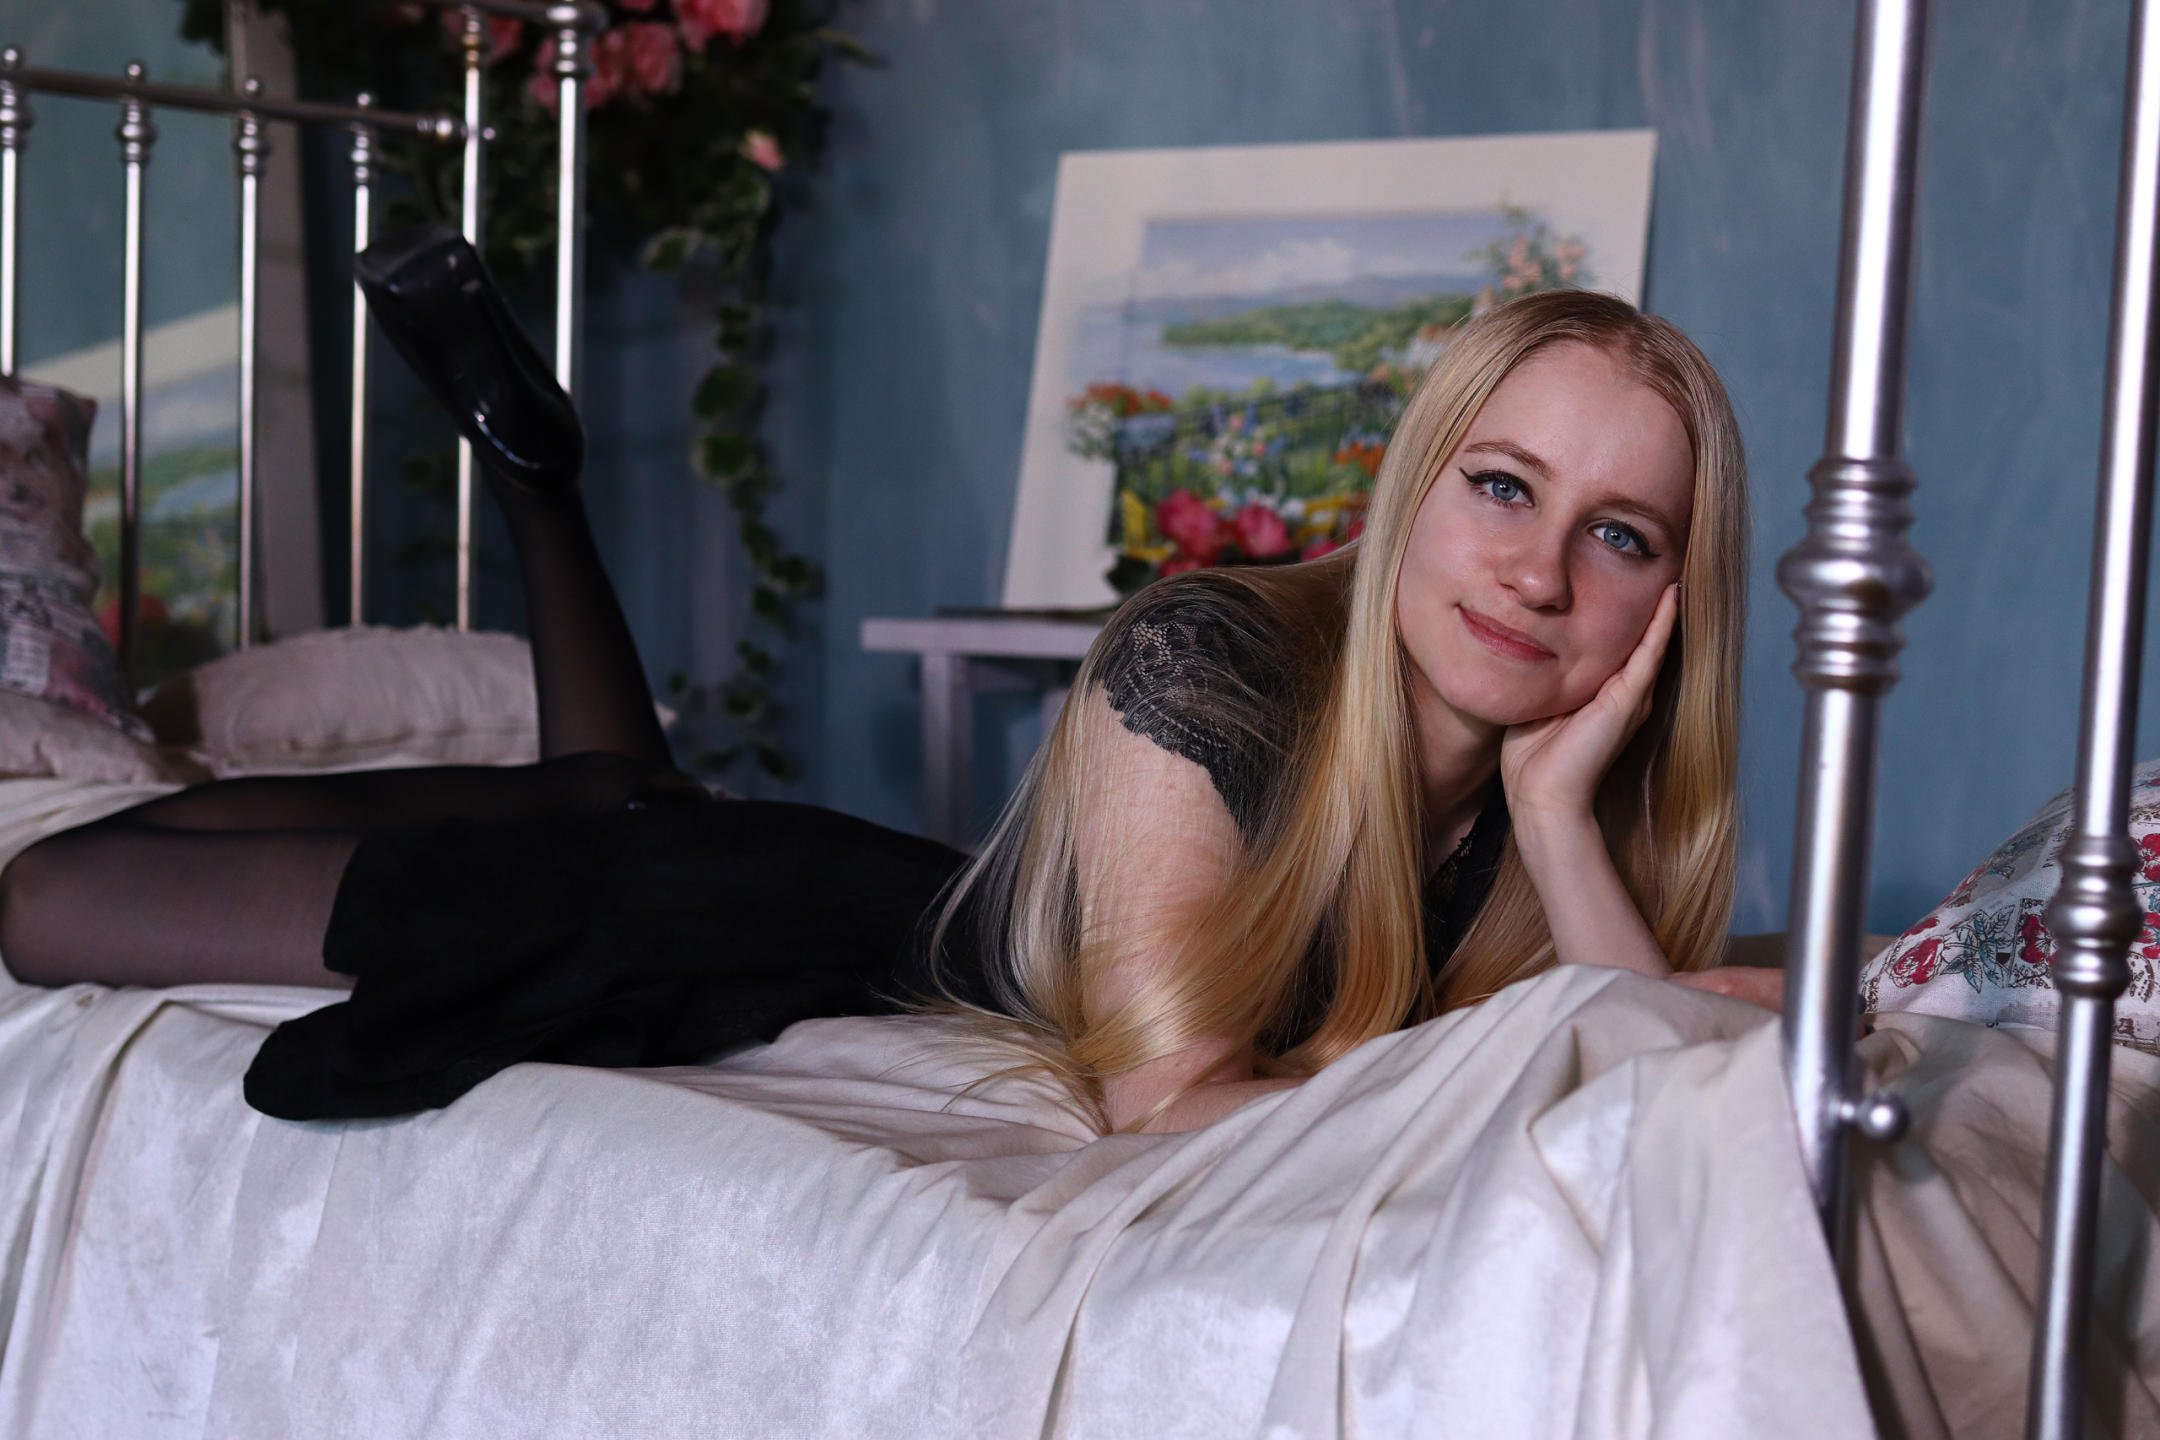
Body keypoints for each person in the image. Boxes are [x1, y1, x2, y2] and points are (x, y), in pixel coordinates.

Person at [0, 251, 1771, 1134]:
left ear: (1674, 600)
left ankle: (542, 505)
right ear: (1410, 489)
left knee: (619, 797)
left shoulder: (1573, 806)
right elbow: (1168, 1105)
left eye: (1620, 534)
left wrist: (1556, 817)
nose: (1543, 573)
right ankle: (541, 507)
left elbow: (1656, 1100)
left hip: (849, 901)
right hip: (745, 904)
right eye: (1504, 487)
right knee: (47, 893)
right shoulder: (1209, 660)